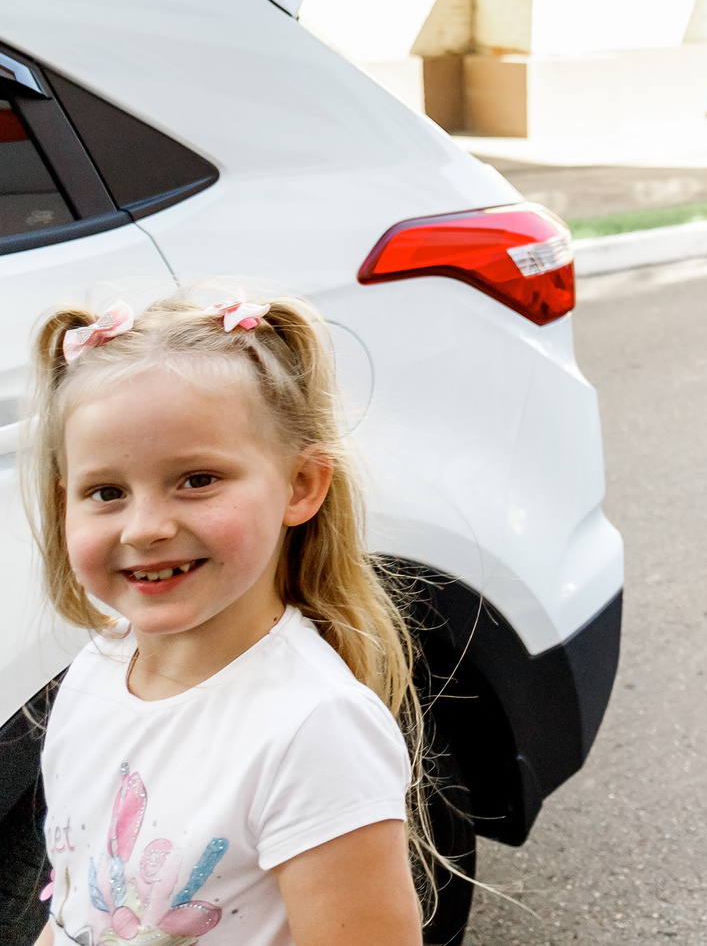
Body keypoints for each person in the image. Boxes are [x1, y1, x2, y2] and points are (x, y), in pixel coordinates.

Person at [26, 291, 430, 946]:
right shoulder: (98, 666)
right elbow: (73, 907)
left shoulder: (313, 727)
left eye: (197, 478)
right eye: (106, 491)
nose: (147, 526)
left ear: (300, 485)